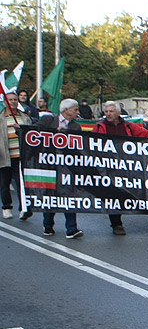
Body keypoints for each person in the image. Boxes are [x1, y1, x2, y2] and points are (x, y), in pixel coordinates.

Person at [93, 101, 148, 235]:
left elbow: (143, 132)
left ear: (119, 113)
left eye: (111, 111)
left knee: (124, 192)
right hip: (108, 167)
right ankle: (116, 223)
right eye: (106, 111)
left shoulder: (128, 126)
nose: (108, 114)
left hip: (125, 166)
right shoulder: (99, 127)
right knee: (113, 194)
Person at [35, 99, 84, 239]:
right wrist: (51, 132)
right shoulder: (47, 120)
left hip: (67, 166)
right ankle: (48, 225)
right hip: (48, 165)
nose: (77, 112)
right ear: (66, 110)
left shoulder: (75, 127)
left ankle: (71, 229)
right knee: (50, 195)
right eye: (75, 109)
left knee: (69, 195)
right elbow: (33, 131)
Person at [1, 91, 31, 219]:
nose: (13, 102)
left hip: (20, 156)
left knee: (21, 184)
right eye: (10, 100)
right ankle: (7, 207)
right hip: (5, 156)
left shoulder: (24, 118)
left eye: (15, 99)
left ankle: (23, 208)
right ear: (4, 103)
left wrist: (22, 129)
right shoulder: (1, 118)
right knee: (4, 183)